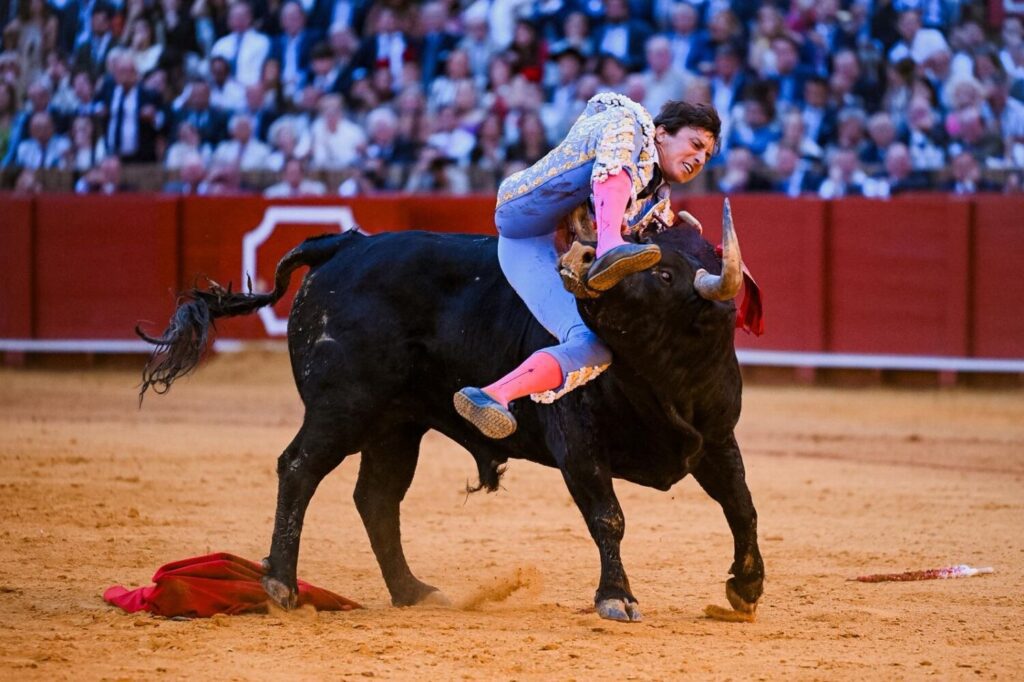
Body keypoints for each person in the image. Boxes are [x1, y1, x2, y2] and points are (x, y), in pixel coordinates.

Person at [453, 93, 719, 439]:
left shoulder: (657, 204)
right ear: (663, 133)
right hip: (523, 216)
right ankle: (609, 245)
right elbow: (616, 151)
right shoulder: (631, 123)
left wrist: (696, 248)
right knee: (623, 136)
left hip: (534, 251)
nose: (699, 159)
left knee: (593, 346)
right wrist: (612, 242)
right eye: (696, 145)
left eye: (706, 156)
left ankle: (493, 396)